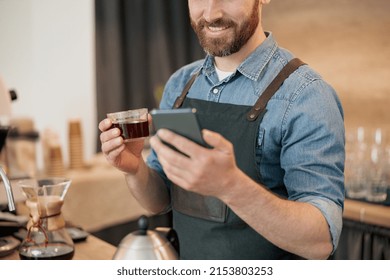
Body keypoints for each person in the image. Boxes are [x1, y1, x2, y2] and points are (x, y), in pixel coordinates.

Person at [99, 0, 345, 260]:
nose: (211, 13)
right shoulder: (180, 85)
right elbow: (162, 200)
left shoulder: (307, 96)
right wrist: (135, 168)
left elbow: (321, 241)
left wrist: (231, 186)